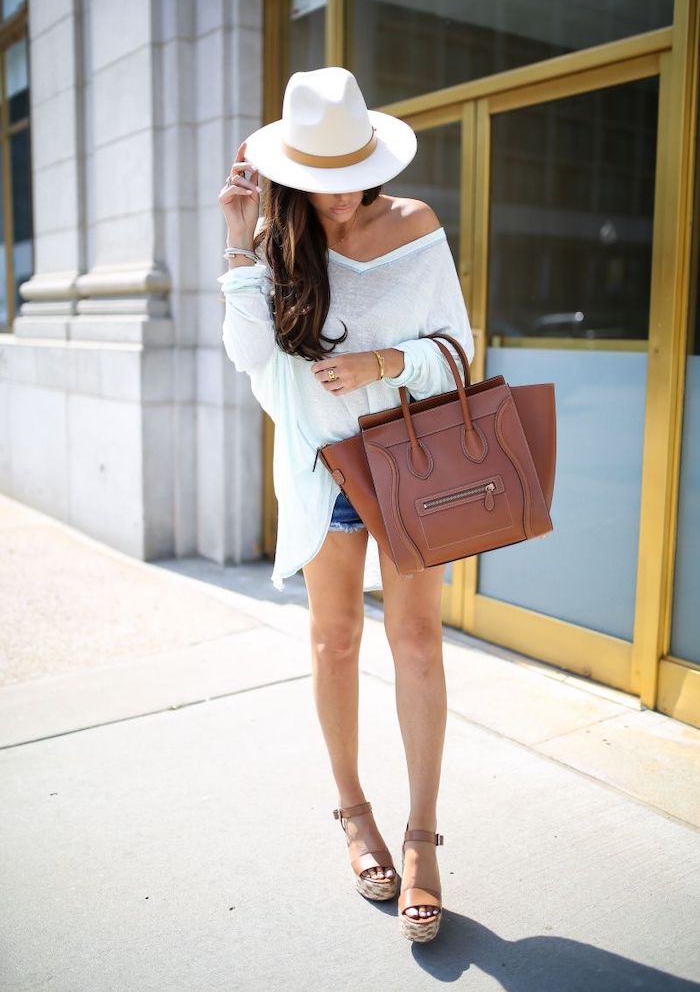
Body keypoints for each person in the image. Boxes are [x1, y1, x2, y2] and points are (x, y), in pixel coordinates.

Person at [217, 67, 474, 943]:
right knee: (333, 641)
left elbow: (459, 350)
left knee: (417, 641)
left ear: (373, 159)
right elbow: (252, 359)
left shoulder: (415, 226)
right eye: (318, 182)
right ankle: (354, 812)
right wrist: (239, 245)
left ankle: (424, 836)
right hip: (328, 474)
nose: (336, 198)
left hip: (408, 463)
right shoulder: (282, 242)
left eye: (349, 176)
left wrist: (382, 365)